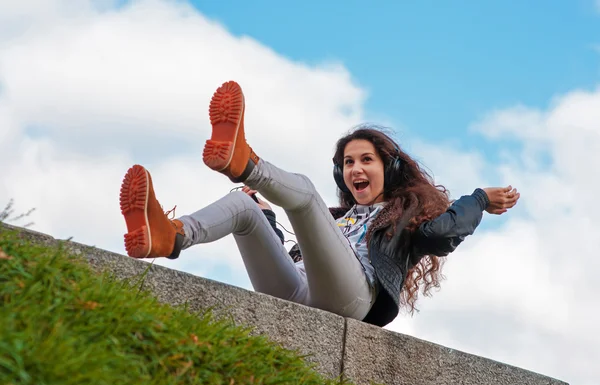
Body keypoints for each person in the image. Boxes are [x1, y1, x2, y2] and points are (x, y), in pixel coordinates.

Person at [119, 81, 520, 327]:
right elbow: (302, 248)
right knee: (244, 207)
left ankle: (245, 163)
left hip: (351, 297)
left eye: (366, 160)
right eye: (348, 163)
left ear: (390, 168)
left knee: (303, 195)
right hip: (294, 287)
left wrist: (479, 200)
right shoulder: (336, 219)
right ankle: (169, 236)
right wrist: (268, 219)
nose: (355, 169)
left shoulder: (404, 218)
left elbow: (442, 233)